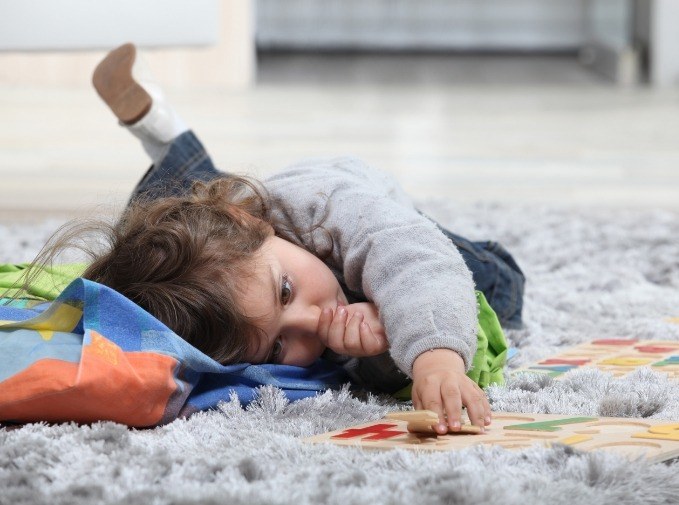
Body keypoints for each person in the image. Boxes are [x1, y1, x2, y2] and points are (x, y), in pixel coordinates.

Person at [81, 43, 525, 434]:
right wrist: (378, 352)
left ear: (254, 224)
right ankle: (165, 133)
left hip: (369, 214)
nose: (314, 323)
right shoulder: (240, 249)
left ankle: (173, 144)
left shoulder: (328, 209)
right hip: (243, 216)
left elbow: (418, 261)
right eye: (277, 346)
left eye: (286, 292)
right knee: (160, 237)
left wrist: (437, 359)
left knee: (497, 285)